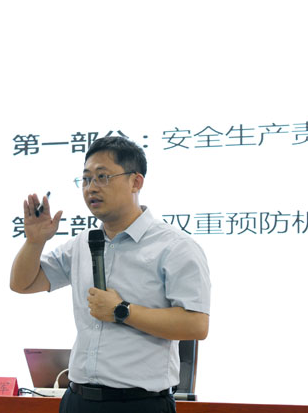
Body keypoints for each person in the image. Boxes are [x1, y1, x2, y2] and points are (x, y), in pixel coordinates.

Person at [11, 136, 211, 413]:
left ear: (135, 182)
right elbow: (23, 284)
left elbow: (196, 325)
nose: (91, 188)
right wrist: (34, 242)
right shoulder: (82, 243)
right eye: (86, 179)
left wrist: (121, 310)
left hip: (139, 405)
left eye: (102, 177)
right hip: (78, 400)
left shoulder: (174, 246)